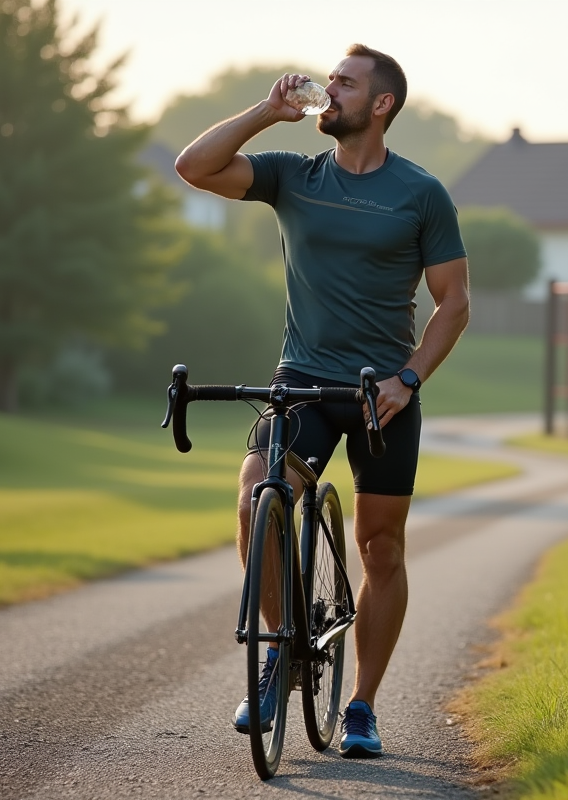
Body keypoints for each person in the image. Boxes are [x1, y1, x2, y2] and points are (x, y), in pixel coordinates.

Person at [174, 44, 470, 759]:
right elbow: (194, 165)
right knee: (256, 497)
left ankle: (362, 706)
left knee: (382, 547)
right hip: (301, 380)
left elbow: (453, 303)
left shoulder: (420, 192)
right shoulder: (293, 176)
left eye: (346, 82)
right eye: (329, 78)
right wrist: (266, 112)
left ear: (381, 105)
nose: (328, 88)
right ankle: (279, 654)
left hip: (381, 395)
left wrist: (410, 378)